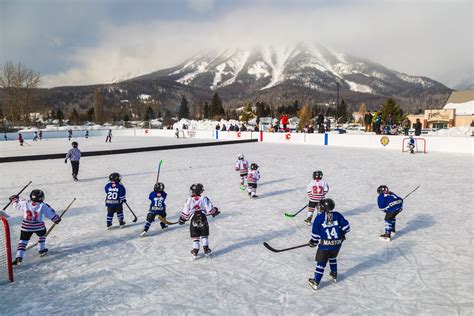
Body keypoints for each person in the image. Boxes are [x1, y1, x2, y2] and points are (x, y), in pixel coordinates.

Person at [9, 189, 61, 266]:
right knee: (42, 235)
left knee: (23, 242)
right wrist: (56, 219)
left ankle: (19, 257)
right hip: (38, 227)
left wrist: (14, 199)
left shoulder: (25, 202)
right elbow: (50, 214)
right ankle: (41, 249)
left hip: (26, 227)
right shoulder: (43, 205)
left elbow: (16, 205)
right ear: (41, 198)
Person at [308, 198, 350, 290]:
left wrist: (313, 242)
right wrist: (341, 234)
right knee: (332, 257)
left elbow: (315, 235)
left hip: (325, 246)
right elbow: (347, 227)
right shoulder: (337, 215)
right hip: (336, 245)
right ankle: (334, 273)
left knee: (321, 263)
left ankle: (316, 281)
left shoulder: (319, 218)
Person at [179, 183, 220, 259]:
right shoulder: (204, 198)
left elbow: (185, 212)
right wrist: (215, 211)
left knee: (196, 237)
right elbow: (210, 210)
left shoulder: (189, 200)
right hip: (203, 218)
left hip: (193, 220)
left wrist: (182, 219)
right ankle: (206, 249)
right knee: (204, 235)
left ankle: (195, 251)